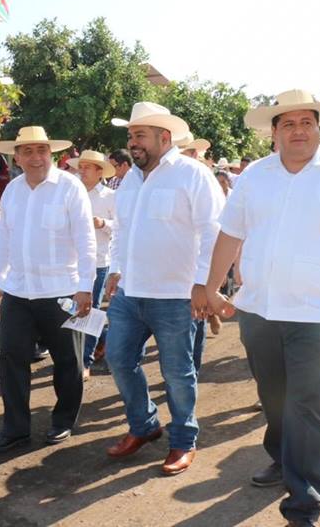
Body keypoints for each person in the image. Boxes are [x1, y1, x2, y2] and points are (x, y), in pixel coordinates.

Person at [202, 89, 320, 527]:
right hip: (259, 311)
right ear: (274, 132)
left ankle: (304, 502)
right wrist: (211, 286)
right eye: (289, 124)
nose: (299, 130)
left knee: (310, 405)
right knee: (275, 397)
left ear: (319, 128)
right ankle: (281, 459)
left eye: (307, 122)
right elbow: (230, 232)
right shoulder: (254, 177)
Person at [102, 103, 223, 477]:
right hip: (130, 293)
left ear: (164, 138)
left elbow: (215, 230)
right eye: (130, 136)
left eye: (140, 135)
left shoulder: (192, 175)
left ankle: (183, 440)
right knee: (118, 360)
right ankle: (144, 426)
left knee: (177, 372)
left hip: (176, 296)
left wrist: (204, 284)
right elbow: (122, 231)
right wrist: (116, 269)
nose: (132, 143)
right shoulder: (130, 180)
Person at [0, 126, 96, 453]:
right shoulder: (12, 191)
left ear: (52, 154)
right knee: (11, 358)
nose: (35, 158)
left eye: (41, 151)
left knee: (68, 362)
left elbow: (86, 241)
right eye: (28, 152)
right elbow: (3, 238)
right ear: (16, 157)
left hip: (62, 291)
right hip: (19, 290)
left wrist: (85, 287)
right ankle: (15, 428)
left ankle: (62, 421)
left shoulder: (70, 188)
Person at [66, 150, 116, 381]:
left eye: (88, 167)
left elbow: (122, 227)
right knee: (70, 310)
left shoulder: (109, 196)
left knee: (90, 310)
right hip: (70, 261)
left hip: (98, 260)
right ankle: (85, 350)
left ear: (99, 172)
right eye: (81, 166)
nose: (82, 170)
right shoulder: (69, 192)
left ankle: (84, 360)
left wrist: (103, 223)